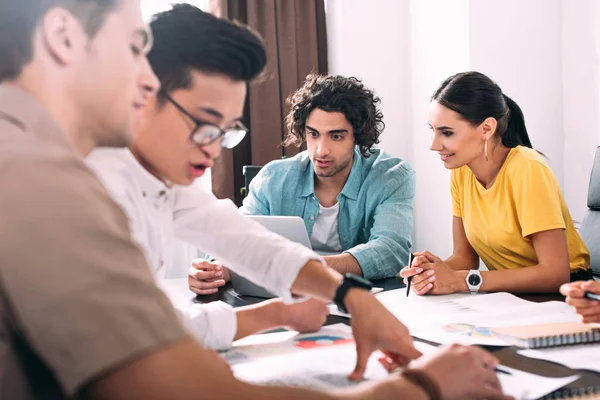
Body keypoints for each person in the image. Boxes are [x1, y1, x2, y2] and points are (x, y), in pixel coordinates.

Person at [0, 1, 511, 399]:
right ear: (63, 37)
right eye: (136, 47)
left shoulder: (76, 163)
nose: (146, 75)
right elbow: (187, 389)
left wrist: (348, 296)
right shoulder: (45, 178)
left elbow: (247, 241)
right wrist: (420, 387)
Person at [87, 4, 329, 350]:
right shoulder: (94, 190)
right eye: (205, 124)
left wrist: (348, 295)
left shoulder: (162, 177)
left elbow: (249, 240)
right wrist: (275, 316)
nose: (215, 150)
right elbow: (145, 338)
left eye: (226, 130)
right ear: (144, 91)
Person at [401, 71, 591, 296]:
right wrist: (431, 272)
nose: (434, 145)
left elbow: (554, 274)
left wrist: (463, 280)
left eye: (447, 133)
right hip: (510, 297)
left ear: (487, 129)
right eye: (432, 131)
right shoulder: (461, 172)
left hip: (565, 297)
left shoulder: (527, 168)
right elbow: (465, 257)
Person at [236, 74, 415, 280]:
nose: (321, 151)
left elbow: (391, 250)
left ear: (358, 136)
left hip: (357, 298)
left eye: (336, 136)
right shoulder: (272, 178)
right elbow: (239, 240)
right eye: (313, 134)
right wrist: (215, 269)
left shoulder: (390, 177)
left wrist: (305, 268)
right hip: (282, 296)